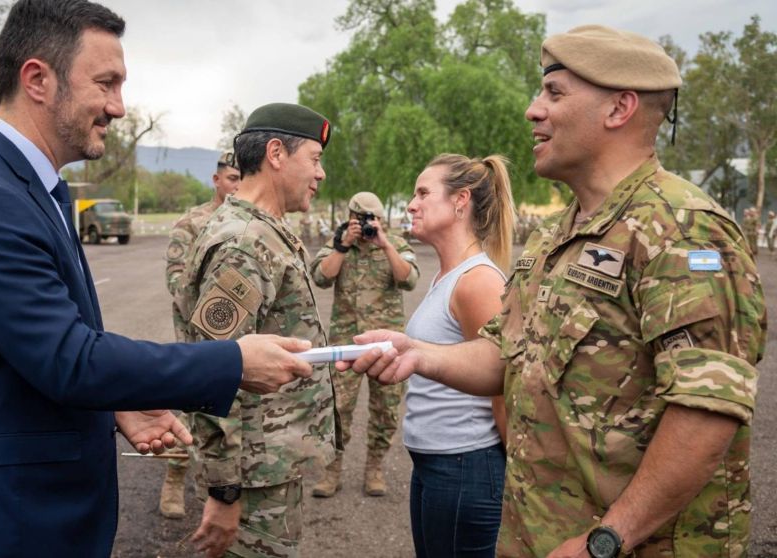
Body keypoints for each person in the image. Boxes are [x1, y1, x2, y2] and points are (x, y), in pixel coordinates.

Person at [0, 3, 314, 557]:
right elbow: (68, 358)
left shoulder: (30, 189)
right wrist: (233, 362)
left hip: (30, 510)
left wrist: (115, 403)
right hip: (1, 519)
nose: (119, 107)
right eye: (106, 84)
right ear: (37, 79)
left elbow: (34, 350)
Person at [344, 25, 765, 558]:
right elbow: (503, 355)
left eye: (555, 93)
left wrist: (606, 541)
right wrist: (418, 354)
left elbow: (706, 412)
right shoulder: (557, 235)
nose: (532, 110)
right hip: (537, 536)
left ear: (619, 110)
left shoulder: (684, 231)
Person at [177, 103, 338, 558]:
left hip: (268, 466)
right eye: (315, 157)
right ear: (276, 153)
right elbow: (213, 370)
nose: (320, 173)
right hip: (252, 476)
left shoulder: (265, 230)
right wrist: (225, 491)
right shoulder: (244, 242)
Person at [404, 154, 514, 557]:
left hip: (465, 466)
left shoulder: (478, 282)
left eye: (423, 193)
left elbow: (501, 386)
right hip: (436, 464)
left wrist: (517, 484)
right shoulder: (446, 277)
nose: (411, 204)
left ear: (460, 200)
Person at [309, 191, 418, 498]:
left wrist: (384, 244)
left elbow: (408, 279)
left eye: (375, 219)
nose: (370, 225)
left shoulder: (395, 244)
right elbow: (320, 277)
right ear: (351, 218)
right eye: (363, 219)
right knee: (338, 410)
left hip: (387, 347)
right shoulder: (338, 245)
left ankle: (375, 468)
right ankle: (332, 471)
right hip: (347, 343)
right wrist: (342, 246)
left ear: (382, 220)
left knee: (385, 410)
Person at [159, 150, 241, 519]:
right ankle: (175, 478)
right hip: (197, 334)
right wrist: (211, 310)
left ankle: (229, 489)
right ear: (217, 180)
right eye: (232, 178)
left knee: (236, 413)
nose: (237, 185)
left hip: (242, 337)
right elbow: (176, 278)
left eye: (243, 178)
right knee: (193, 407)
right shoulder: (192, 223)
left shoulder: (248, 223)